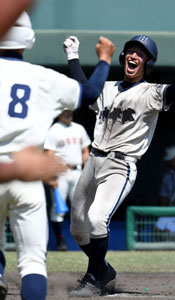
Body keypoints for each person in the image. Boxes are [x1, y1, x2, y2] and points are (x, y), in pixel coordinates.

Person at [62, 35, 175, 297]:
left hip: (119, 165)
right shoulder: (108, 87)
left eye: (141, 53)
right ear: (123, 57)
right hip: (93, 160)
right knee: (78, 228)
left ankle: (93, 279)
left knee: (97, 219)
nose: (134, 56)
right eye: (130, 51)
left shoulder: (151, 92)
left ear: (148, 63)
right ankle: (103, 269)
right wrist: (72, 56)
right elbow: (85, 89)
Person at [0, 12, 115, 300]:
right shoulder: (42, 77)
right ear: (28, 39)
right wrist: (104, 60)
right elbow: (90, 92)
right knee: (33, 263)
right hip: (27, 178)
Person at [44, 109, 91, 251]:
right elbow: (49, 154)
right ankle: (60, 240)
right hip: (61, 173)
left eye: (70, 111)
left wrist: (87, 171)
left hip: (77, 171)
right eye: (65, 111)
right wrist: (51, 176)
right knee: (58, 209)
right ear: (58, 113)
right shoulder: (54, 129)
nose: (69, 114)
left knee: (81, 208)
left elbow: (85, 150)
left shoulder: (79, 128)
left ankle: (85, 240)